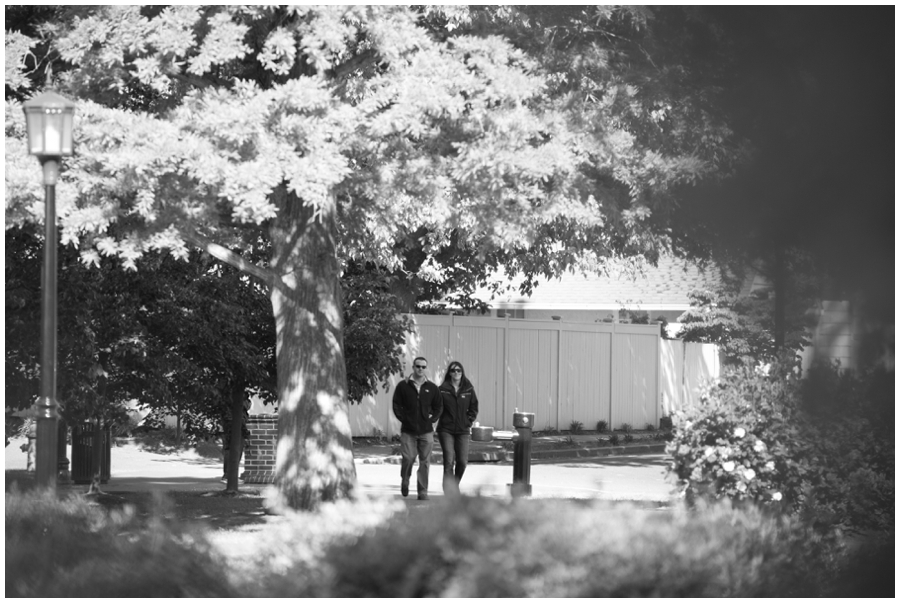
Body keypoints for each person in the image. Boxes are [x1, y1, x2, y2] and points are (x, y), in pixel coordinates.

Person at [392, 356, 442, 500]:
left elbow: (439, 406)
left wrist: (432, 419)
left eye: (423, 367)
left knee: (425, 461)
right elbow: (396, 404)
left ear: (426, 368)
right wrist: (404, 418)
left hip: (426, 431)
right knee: (408, 457)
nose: (420, 369)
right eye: (418, 366)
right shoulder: (403, 386)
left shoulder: (432, 388)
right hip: (408, 431)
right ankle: (405, 479)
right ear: (413, 367)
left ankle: (422, 491)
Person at [437, 361, 479, 494]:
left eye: (459, 370)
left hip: (462, 430)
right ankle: (449, 490)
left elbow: (474, 407)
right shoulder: (442, 389)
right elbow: (437, 407)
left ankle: (454, 484)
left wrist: (468, 421)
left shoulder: (468, 389)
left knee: (462, 462)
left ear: (462, 373)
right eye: (453, 370)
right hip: (446, 429)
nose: (456, 373)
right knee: (449, 461)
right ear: (449, 373)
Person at [222, 398, 251, 483]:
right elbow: (241, 423)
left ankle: (228, 476)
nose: (249, 406)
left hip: (229, 434)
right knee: (234, 454)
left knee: (229, 453)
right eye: (248, 404)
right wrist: (247, 434)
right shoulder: (239, 411)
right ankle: (228, 476)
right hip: (236, 434)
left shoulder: (233, 410)